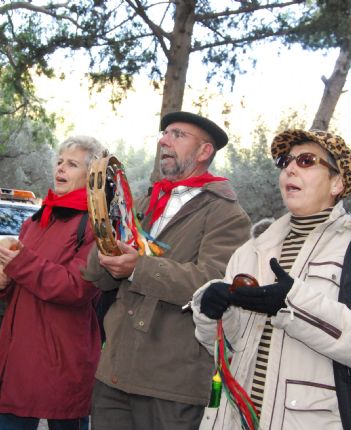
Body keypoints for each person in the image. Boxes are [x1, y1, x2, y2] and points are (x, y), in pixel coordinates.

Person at [192, 129, 351, 429]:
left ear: (337, 182)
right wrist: (212, 313)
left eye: (306, 160)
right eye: (286, 161)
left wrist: (294, 304)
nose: (291, 168)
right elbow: (225, 348)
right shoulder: (252, 249)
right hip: (232, 419)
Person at [82, 111, 252, 430]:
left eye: (177, 135)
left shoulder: (227, 215)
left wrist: (138, 267)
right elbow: (97, 277)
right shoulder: (148, 201)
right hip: (115, 372)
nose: (164, 141)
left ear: (204, 152)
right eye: (164, 134)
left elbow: (213, 283)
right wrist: (104, 223)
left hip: (172, 385)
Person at [0, 135, 108, 430]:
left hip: (63, 358)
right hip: (19, 356)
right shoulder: (37, 220)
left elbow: (76, 287)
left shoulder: (98, 225)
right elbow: (23, 276)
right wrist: (1, 281)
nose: (61, 169)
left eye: (72, 164)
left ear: (91, 175)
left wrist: (19, 264)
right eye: (59, 162)